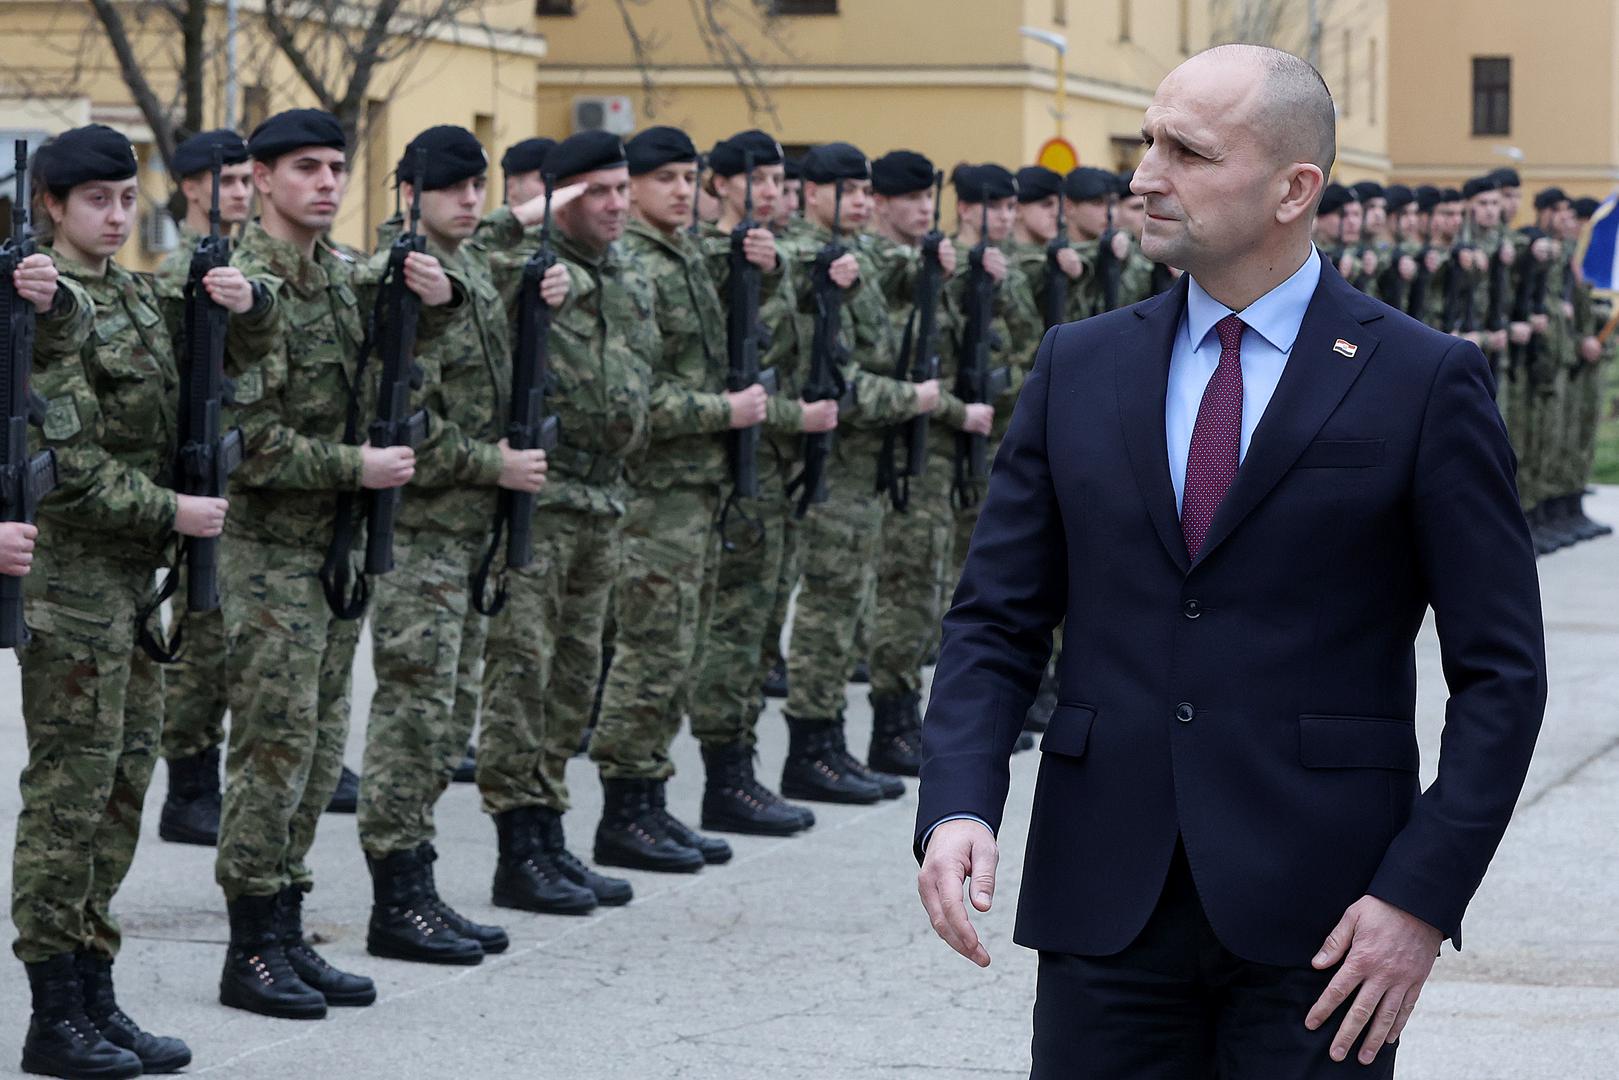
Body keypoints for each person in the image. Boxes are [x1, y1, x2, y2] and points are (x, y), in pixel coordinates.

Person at [915, 44, 1547, 1077]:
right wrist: (954, 804)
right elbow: (995, 619)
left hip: (1329, 921)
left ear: (1294, 187)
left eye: (1186, 152)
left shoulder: (1421, 380)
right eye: (1145, 143)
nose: (1143, 176)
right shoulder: (1080, 367)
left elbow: (1500, 675)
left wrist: (1418, 898)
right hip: (1103, 901)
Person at [15, 122, 250, 1078]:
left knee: (121, 791)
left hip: (135, 590)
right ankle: (50, 1012)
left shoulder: (140, 296)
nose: (115, 217)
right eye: (95, 203)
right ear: (51, 209)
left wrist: (246, 294)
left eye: (124, 200)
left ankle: (95, 989)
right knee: (68, 799)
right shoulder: (37, 302)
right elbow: (67, 470)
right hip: (71, 589)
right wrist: (175, 510)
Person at [215, 108, 452, 1019]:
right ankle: (250, 947)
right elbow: (249, 443)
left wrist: (432, 300)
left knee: (315, 755)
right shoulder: (242, 284)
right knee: (272, 752)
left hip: (333, 549)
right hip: (269, 554)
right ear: (262, 180)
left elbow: (388, 370)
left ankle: (285, 926)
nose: (324, 182)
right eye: (304, 167)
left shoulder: (336, 277)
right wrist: (353, 466)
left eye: (334, 167)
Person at [355, 125, 569, 964]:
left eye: (477, 187)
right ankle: (394, 896)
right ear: (412, 192)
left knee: (443, 722)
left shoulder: (470, 262)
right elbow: (399, 423)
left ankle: (420, 885)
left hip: (469, 532)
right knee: (412, 717)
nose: (470, 202)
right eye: (453, 189)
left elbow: (523, 236)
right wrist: (495, 463)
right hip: (421, 535)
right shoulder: (401, 277)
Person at [476, 129, 652, 914]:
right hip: (540, 504)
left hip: (605, 502)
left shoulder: (626, 276)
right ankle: (519, 844)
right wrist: (529, 215)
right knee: (524, 674)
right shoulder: (523, 268)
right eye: (596, 193)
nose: (616, 206)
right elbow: (466, 268)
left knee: (575, 676)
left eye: (621, 190)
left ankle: (551, 834)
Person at [587, 125, 769, 870]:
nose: (682, 191)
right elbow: (633, 401)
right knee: (648, 653)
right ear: (628, 188)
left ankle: (652, 801)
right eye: (664, 178)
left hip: (695, 491)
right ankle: (625, 808)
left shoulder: (684, 254)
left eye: (689, 178)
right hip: (653, 492)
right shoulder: (633, 266)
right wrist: (720, 414)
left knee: (678, 650)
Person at [776, 142, 939, 803]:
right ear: (809, 192)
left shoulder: (857, 264)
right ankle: (810, 748)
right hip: (830, 463)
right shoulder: (801, 262)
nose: (859, 202)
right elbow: (832, 380)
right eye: (844, 190)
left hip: (865, 464)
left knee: (847, 607)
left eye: (862, 190)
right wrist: (913, 400)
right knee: (825, 609)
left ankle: (836, 742)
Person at [686, 129, 830, 834]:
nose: (772, 192)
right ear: (717, 185)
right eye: (757, 180)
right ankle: (724, 774)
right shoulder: (704, 260)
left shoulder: (778, 257)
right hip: (725, 470)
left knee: (761, 621)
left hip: (777, 466)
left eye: (779, 180)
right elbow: (723, 363)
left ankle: (741, 771)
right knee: (733, 629)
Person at [151, 127, 254, 849]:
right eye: (231, 180)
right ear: (193, 188)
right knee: (198, 638)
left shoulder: (247, 271)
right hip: (196, 474)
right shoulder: (170, 274)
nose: (243, 192)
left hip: (242, 478)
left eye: (251, 180)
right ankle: (189, 786)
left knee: (226, 639)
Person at [864, 149, 969, 776]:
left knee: (921, 591)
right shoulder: (867, 270)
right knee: (895, 591)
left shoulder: (932, 264)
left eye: (928, 197)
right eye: (910, 198)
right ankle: (888, 722)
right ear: (880, 202)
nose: (923, 208)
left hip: (928, 448)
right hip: (883, 452)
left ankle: (903, 719)